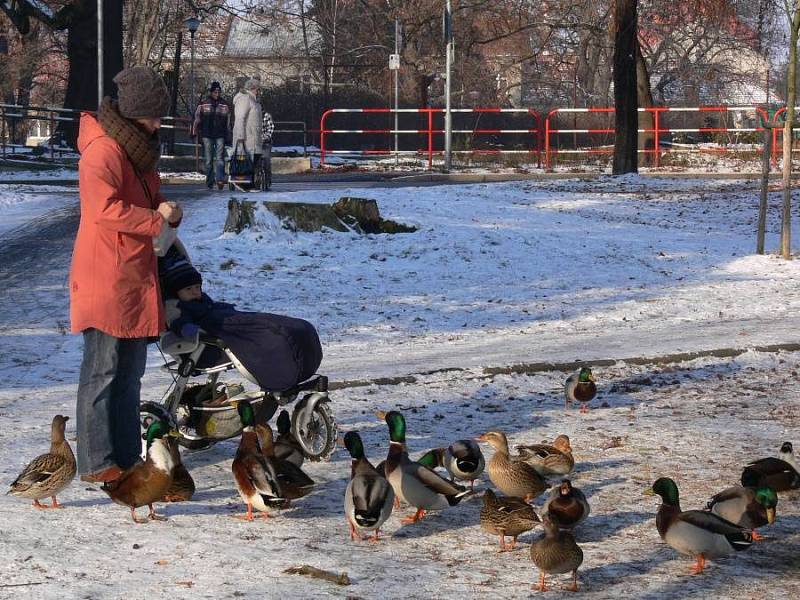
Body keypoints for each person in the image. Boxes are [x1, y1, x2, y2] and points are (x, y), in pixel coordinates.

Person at [70, 66, 183, 483]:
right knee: (102, 371)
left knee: (130, 374)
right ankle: (97, 462)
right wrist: (156, 220)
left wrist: (169, 208)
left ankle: (126, 455)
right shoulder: (102, 151)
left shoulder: (136, 150)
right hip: (106, 277)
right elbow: (103, 211)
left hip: (134, 277)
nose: (159, 123)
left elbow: (150, 197)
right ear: (135, 113)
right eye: (154, 115)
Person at [158, 249, 322, 393]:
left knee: (287, 326)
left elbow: (211, 308)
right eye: (188, 289)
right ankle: (284, 363)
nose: (195, 292)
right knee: (269, 333)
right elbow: (177, 322)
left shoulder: (201, 301)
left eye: (197, 288)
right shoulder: (176, 306)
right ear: (176, 291)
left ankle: (296, 355)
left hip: (220, 324)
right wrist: (188, 329)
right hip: (204, 344)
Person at [192, 81, 231, 190]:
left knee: (220, 159)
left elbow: (228, 121)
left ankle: (219, 180)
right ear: (211, 92)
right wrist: (194, 132)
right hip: (207, 134)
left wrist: (228, 135)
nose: (217, 93)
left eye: (218, 91)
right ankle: (209, 181)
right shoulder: (204, 103)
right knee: (208, 160)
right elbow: (197, 118)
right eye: (215, 91)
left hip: (220, 134)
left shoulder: (224, 104)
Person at [232, 78, 263, 164]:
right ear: (253, 88)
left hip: (254, 142)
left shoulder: (254, 101)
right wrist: (240, 137)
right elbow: (239, 118)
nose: (259, 92)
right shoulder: (244, 99)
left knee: (253, 169)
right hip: (246, 142)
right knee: (245, 170)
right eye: (258, 89)